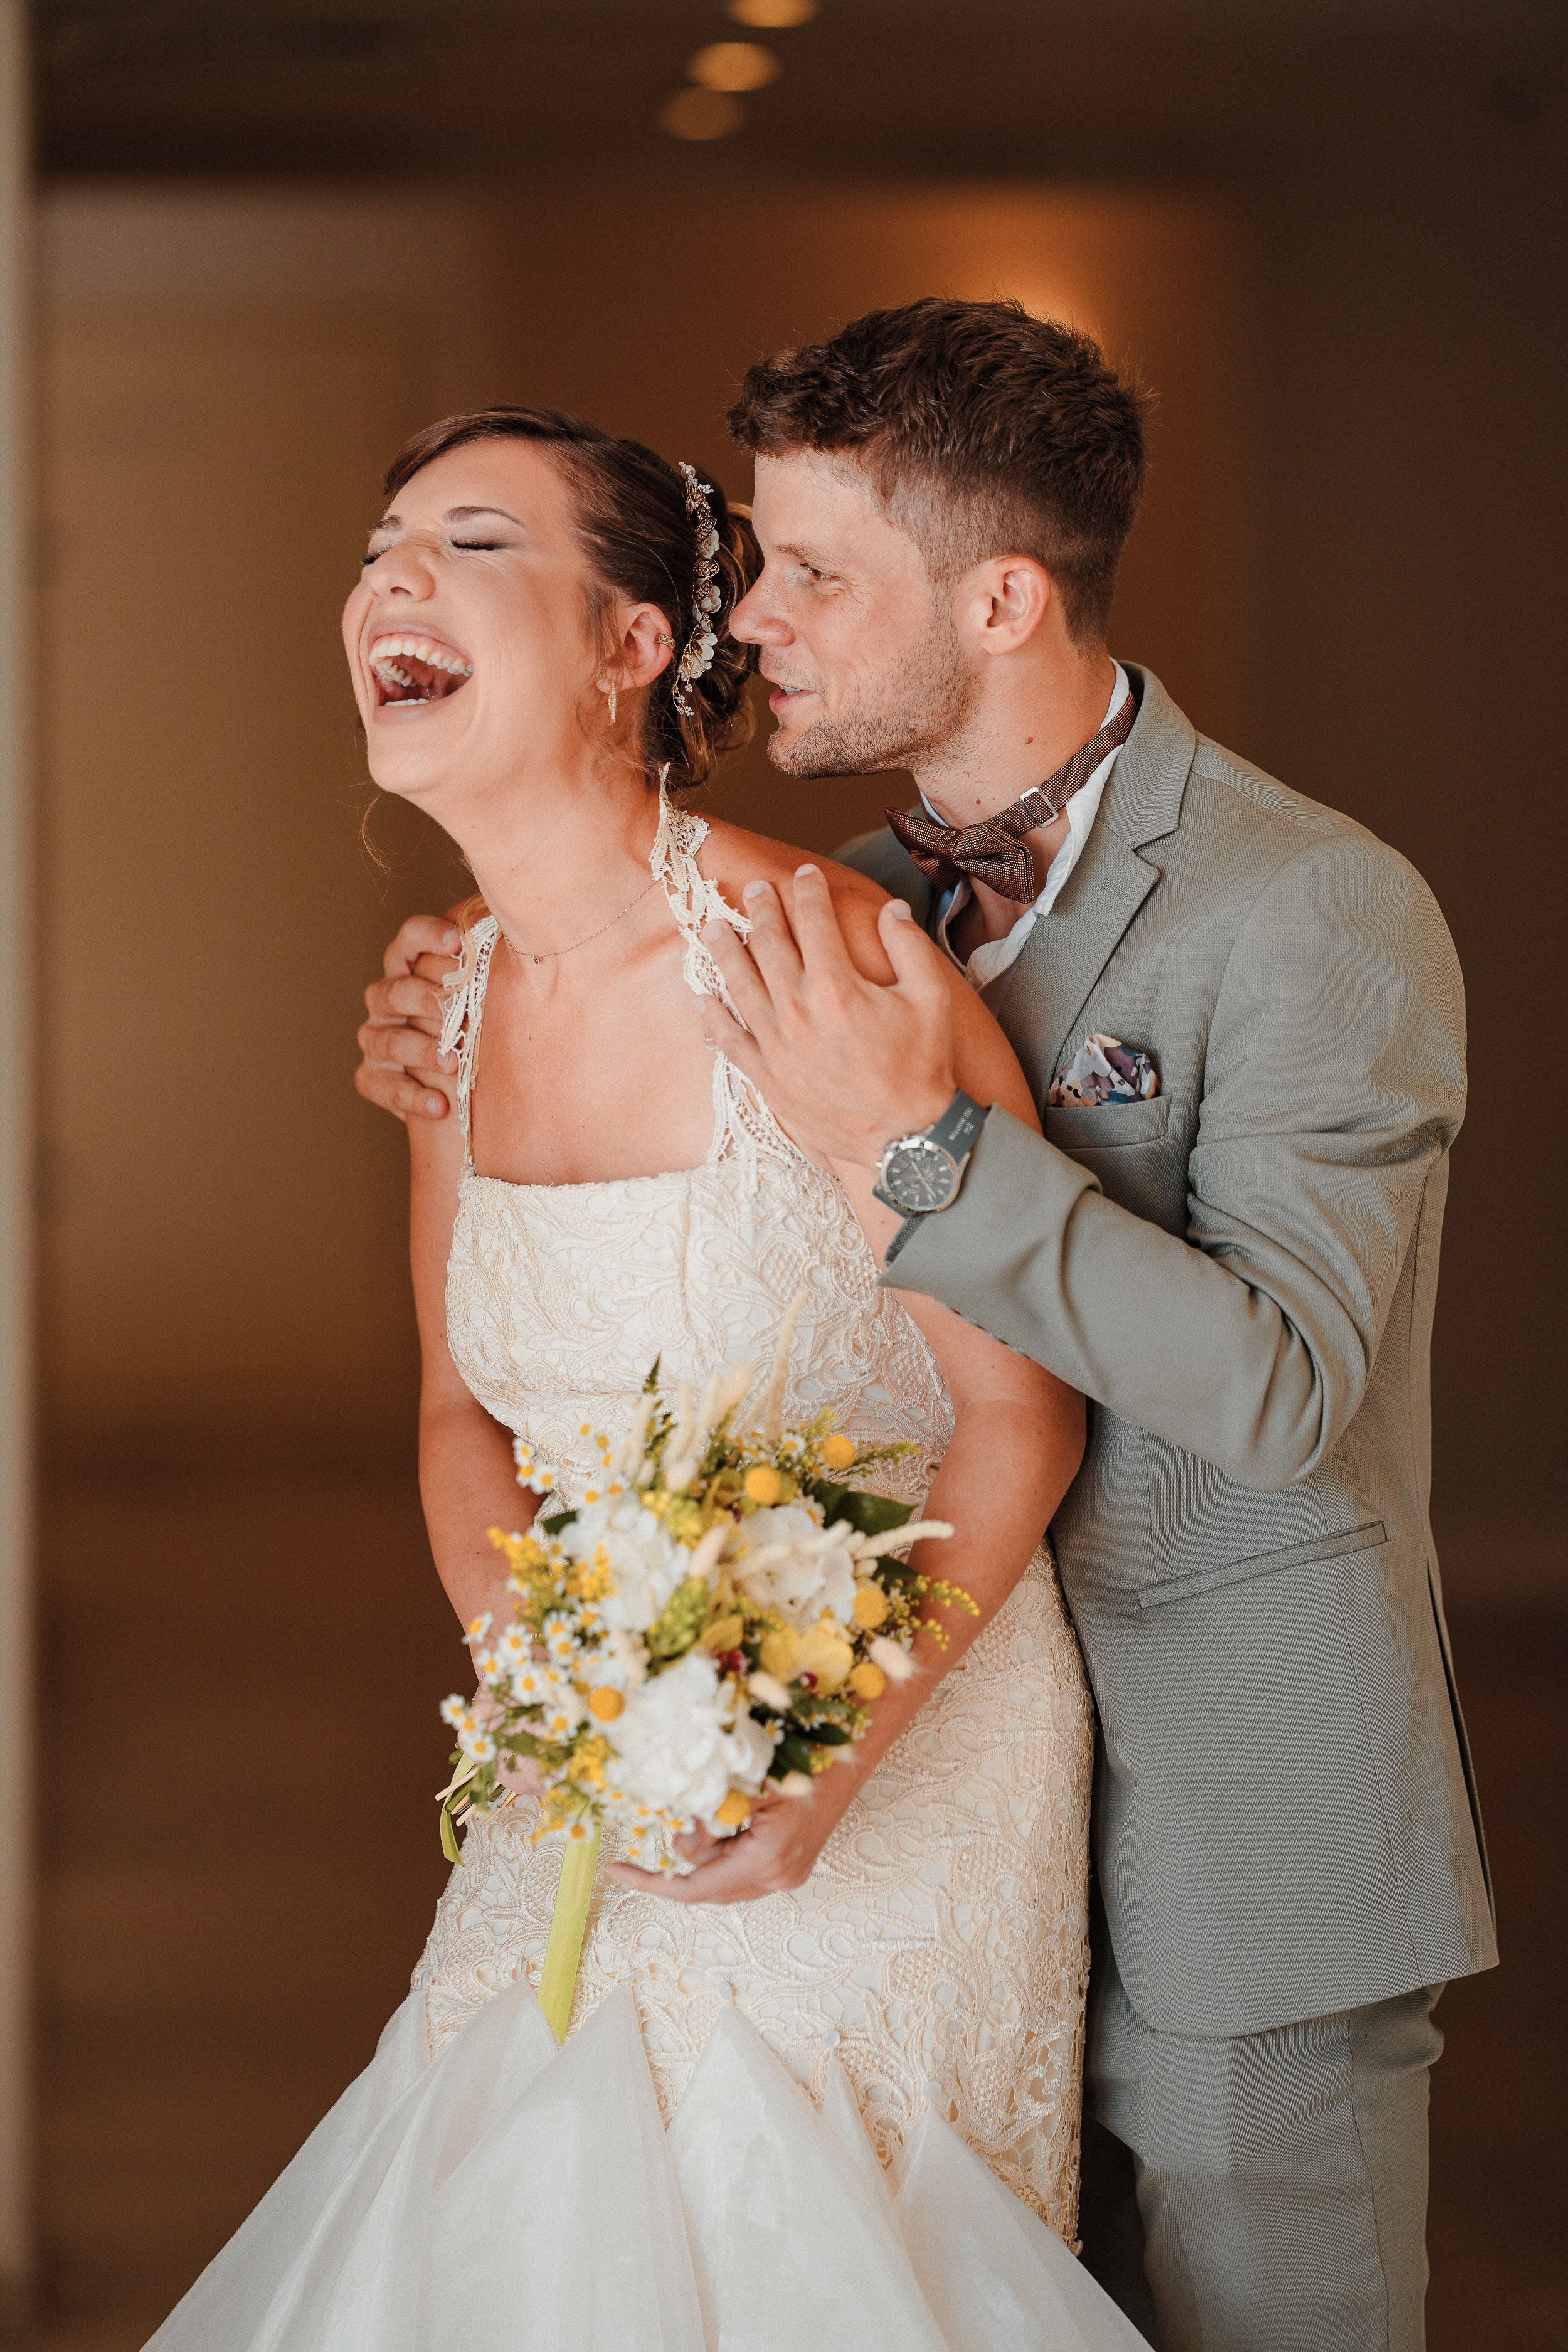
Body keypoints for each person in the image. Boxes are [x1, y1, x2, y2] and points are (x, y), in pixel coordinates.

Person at [358, 302, 1498, 2352]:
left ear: (997, 596)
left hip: (1229, 1849)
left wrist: (926, 1155)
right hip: (913, 1826)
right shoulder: (823, 906)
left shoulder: (1311, 906)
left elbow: (1285, 1383)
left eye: (811, 574)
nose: (748, 610)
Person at [146, 405, 1153, 2352]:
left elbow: (1020, 1408)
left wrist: (823, 1760)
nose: (392, 578)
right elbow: (461, 1413)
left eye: (474, 541)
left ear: (629, 651)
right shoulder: (444, 988)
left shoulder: (829, 956)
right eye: (379, 546)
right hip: (593, 1745)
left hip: (908, 1739)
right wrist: (569, 1700)